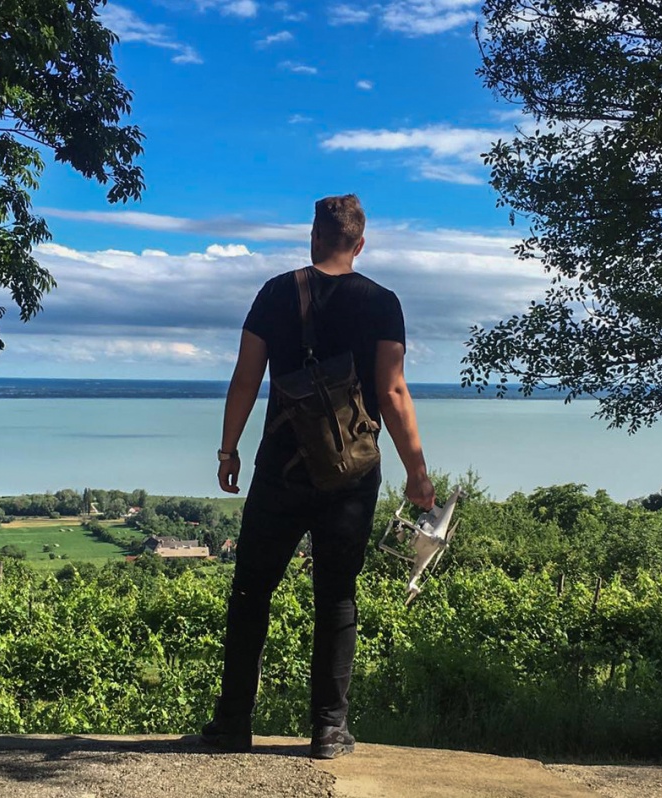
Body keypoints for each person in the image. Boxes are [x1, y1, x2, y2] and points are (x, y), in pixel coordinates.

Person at [201, 194, 435, 760]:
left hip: (281, 469)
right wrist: (417, 472)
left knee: (251, 591)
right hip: (351, 474)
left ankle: (232, 725)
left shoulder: (276, 292)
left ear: (314, 238)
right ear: (360, 243)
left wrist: (229, 450)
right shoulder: (382, 302)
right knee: (336, 597)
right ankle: (329, 731)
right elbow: (393, 392)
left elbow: (245, 378)